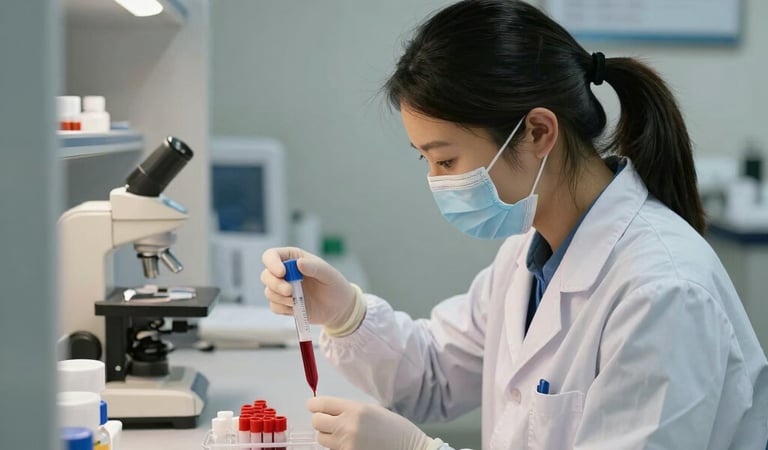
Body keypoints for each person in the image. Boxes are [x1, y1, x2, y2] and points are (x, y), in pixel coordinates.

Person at [260, 1, 768, 448]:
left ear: (537, 131)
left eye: (446, 160)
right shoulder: (533, 251)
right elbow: (436, 375)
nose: (438, 182)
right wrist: (344, 311)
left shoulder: (663, 292)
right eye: (427, 161)